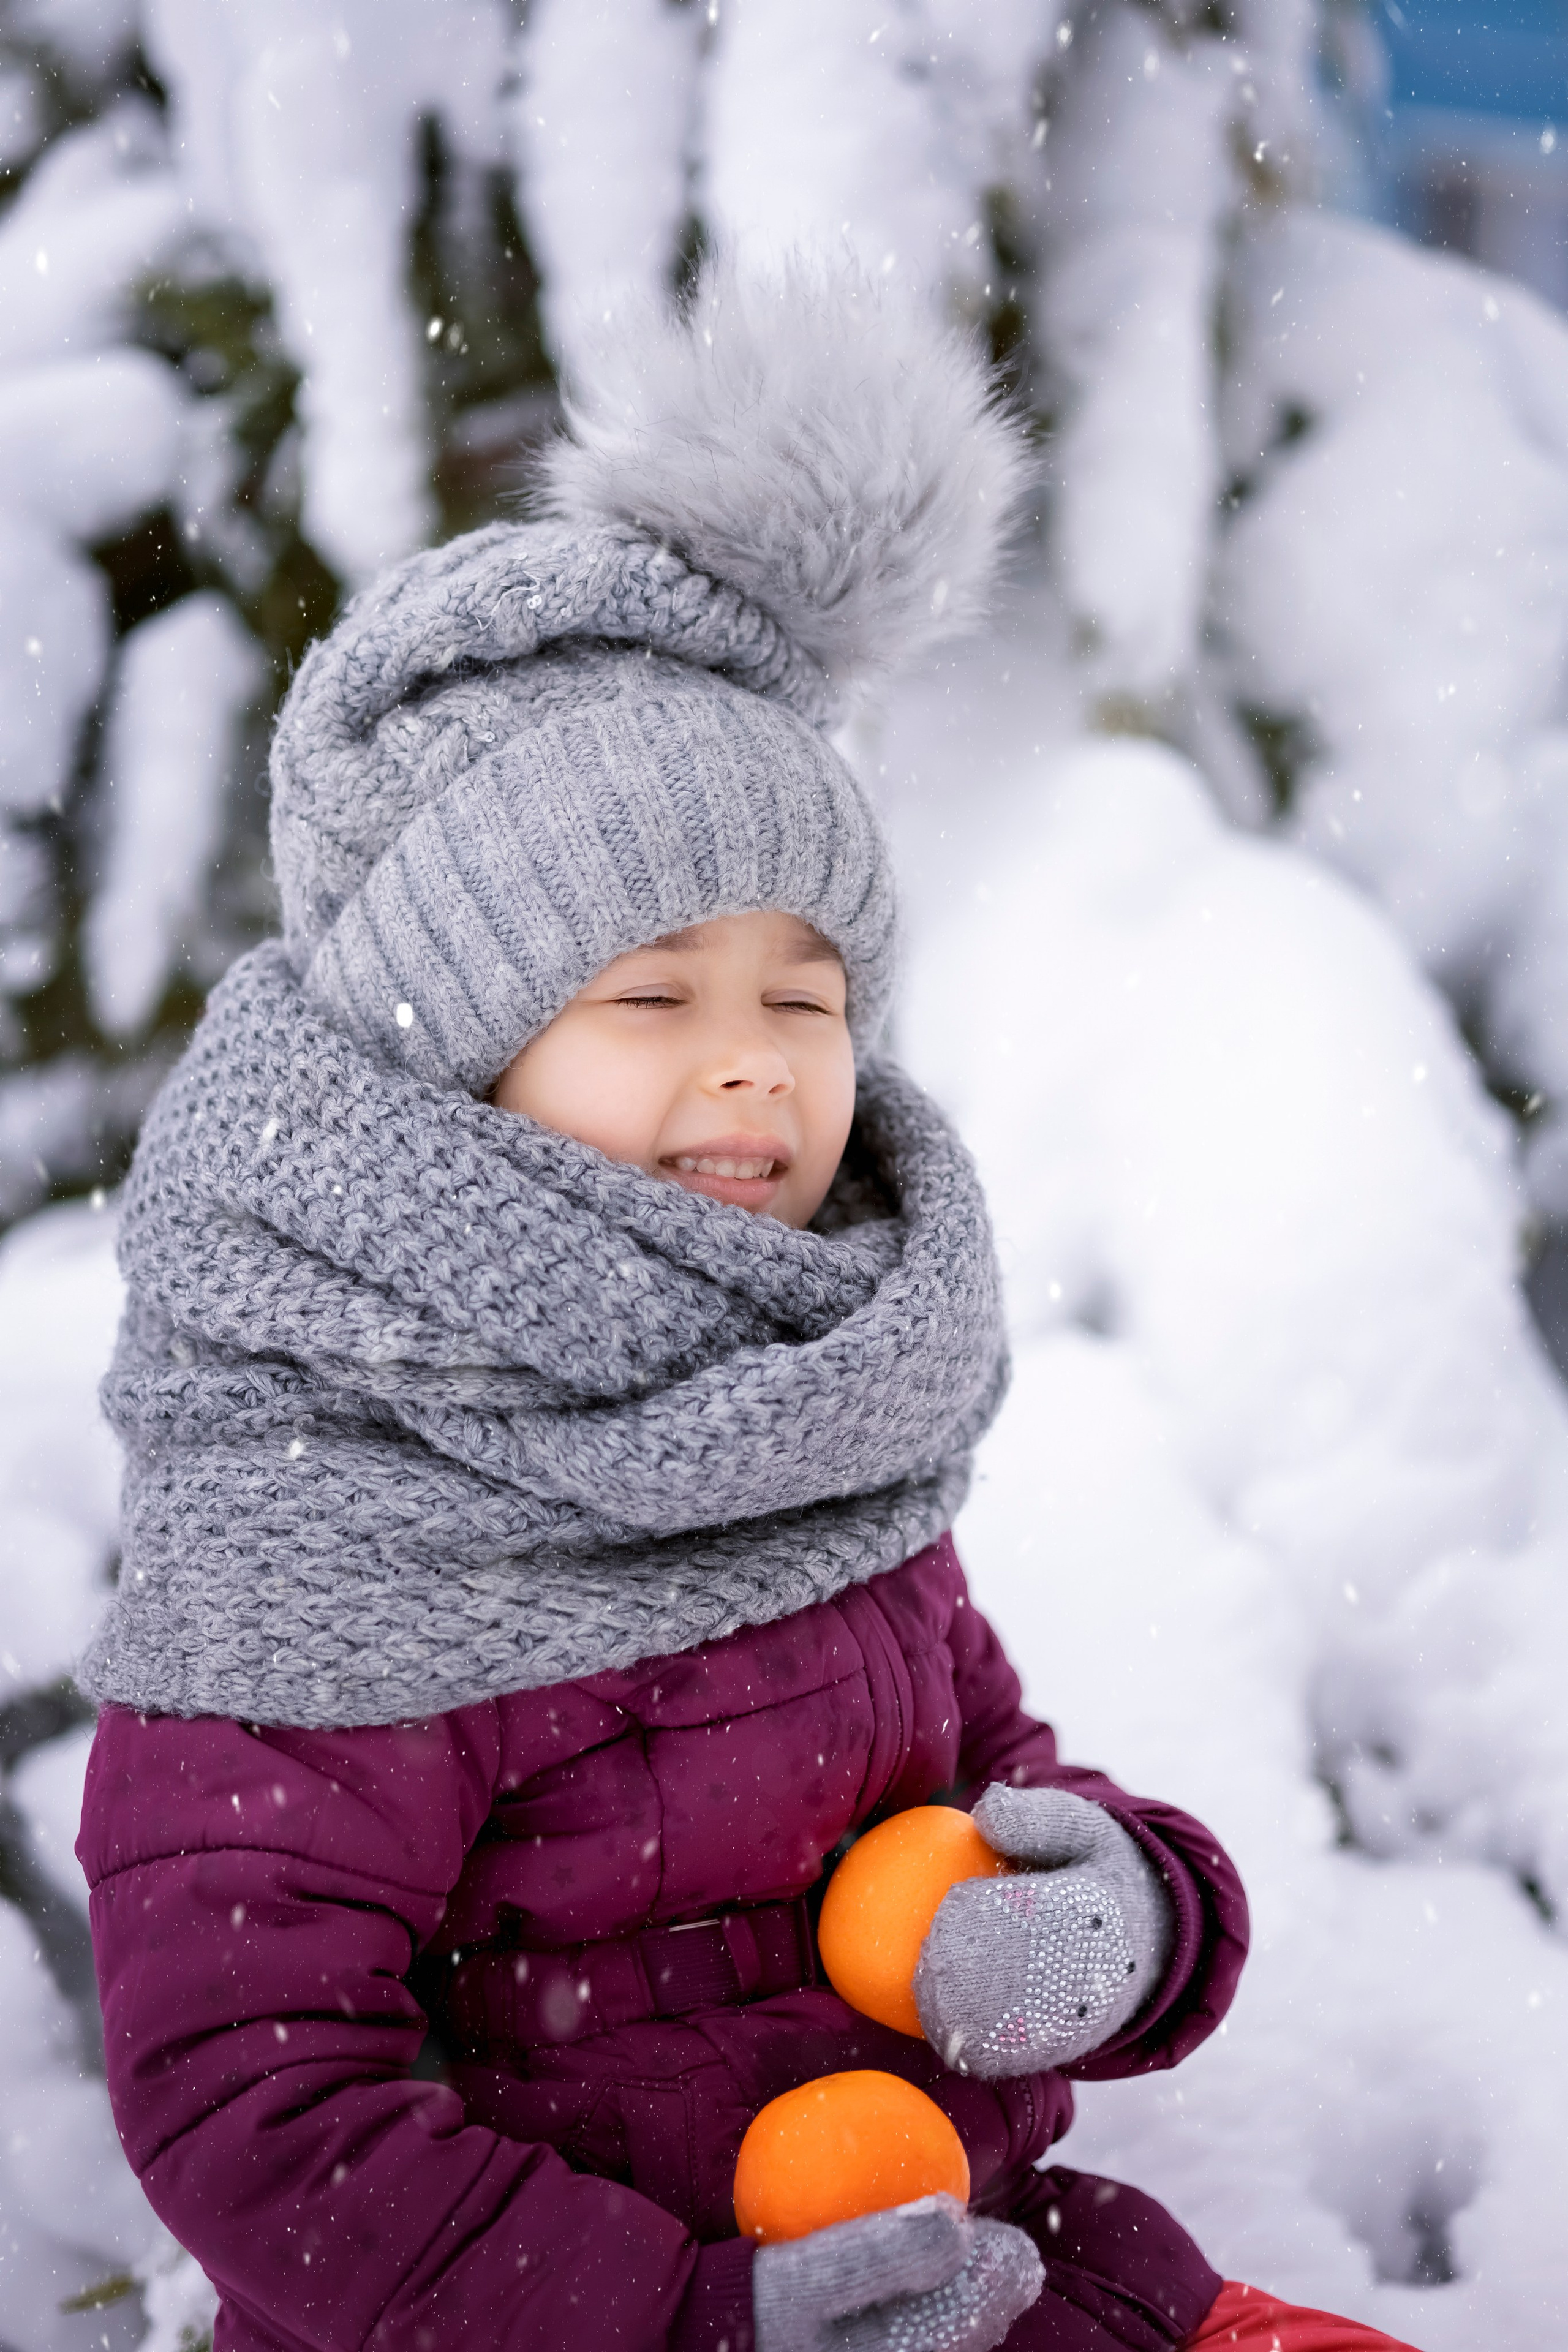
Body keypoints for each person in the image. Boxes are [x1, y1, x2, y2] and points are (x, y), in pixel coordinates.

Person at [76, 263, 1415, 2352]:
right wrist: (703, 2321)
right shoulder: (319, 1521)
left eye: (803, 999)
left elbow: (983, 1778)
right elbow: (254, 2109)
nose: (751, 1064)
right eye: (648, 1000)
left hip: (985, 2287)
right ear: (463, 1050)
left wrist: (1118, 1921)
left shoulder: (799, 1388)